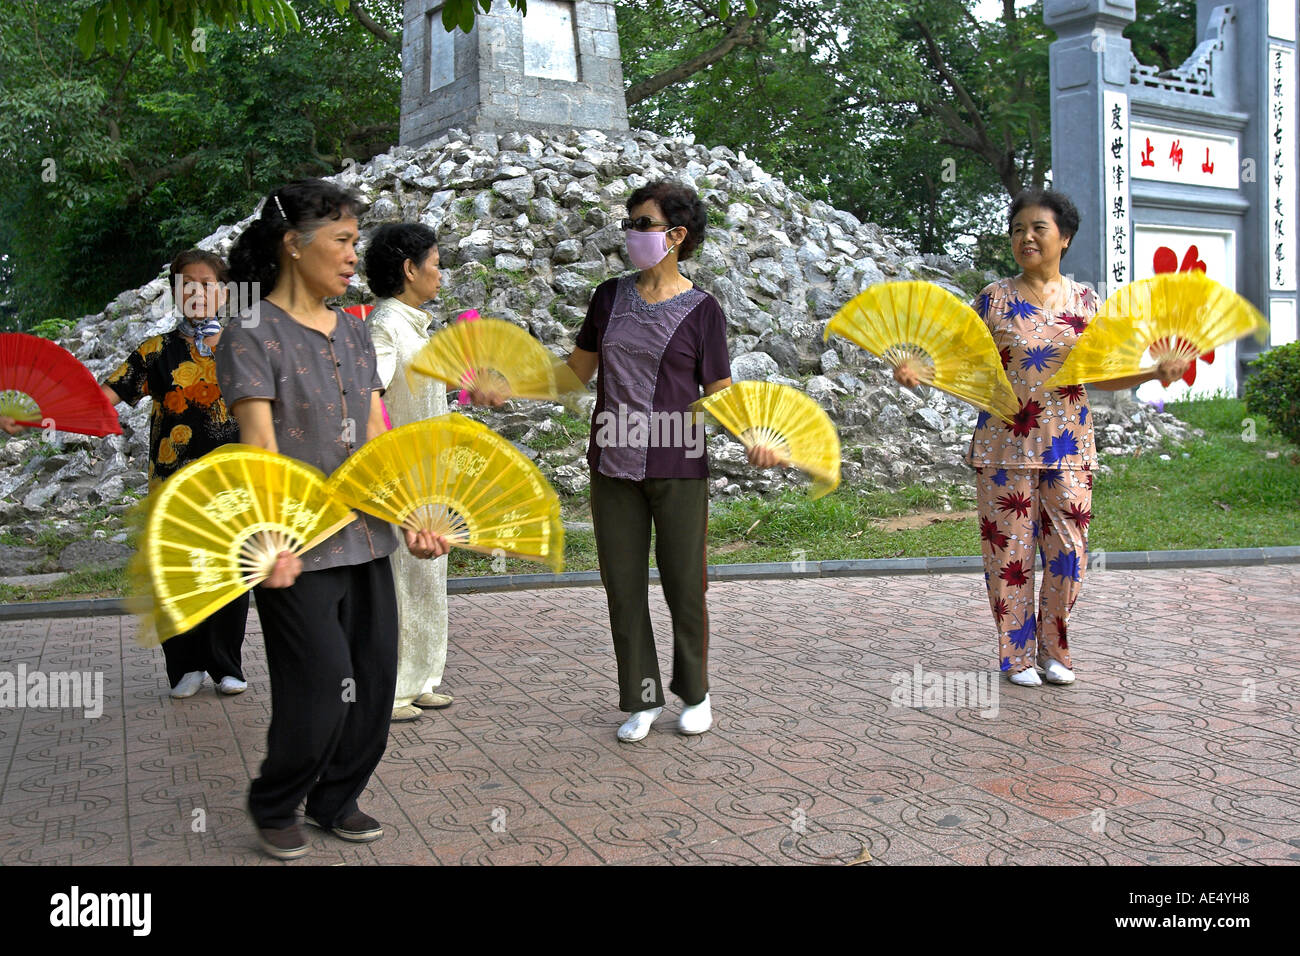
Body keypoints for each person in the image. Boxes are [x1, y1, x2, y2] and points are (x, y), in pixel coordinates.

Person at [216, 179, 449, 860]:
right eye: (343, 240)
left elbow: (378, 435)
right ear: (294, 244)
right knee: (318, 687)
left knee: (373, 688)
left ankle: (336, 798)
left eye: (356, 240)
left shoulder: (351, 329)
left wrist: (409, 513)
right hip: (296, 545)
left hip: (368, 534)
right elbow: (259, 446)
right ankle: (275, 801)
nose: (355, 255)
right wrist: (268, 535)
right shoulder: (251, 332)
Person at [894, 188, 1189, 687]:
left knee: (1068, 554)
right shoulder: (993, 298)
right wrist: (921, 371)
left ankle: (1056, 649)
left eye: (1038, 228)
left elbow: (1103, 374)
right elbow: (962, 361)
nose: (1025, 237)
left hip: (1069, 446)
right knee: (1009, 557)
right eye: (1017, 230)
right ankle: (1015, 656)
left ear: (1065, 238)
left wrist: (1152, 373)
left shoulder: (1087, 302)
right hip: (1003, 445)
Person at [554, 179, 771, 743]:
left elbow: (719, 389)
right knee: (622, 586)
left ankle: (695, 694)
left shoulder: (703, 310)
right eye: (630, 222)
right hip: (612, 463)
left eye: (643, 223)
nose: (632, 233)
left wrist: (753, 436)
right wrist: (509, 383)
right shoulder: (608, 296)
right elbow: (575, 372)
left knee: (683, 583)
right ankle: (642, 697)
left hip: (679, 462)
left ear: (676, 235)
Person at [102, 249, 249, 699]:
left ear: (224, 292)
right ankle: (185, 665)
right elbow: (102, 397)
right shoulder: (155, 351)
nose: (196, 292)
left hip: (231, 480)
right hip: (171, 480)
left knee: (230, 570)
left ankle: (226, 664)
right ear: (175, 292)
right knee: (176, 571)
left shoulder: (244, 347)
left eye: (206, 284)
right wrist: (38, 415)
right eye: (187, 284)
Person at [362, 223, 454, 724]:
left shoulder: (416, 323)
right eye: (435, 263)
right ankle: (391, 686)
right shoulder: (385, 327)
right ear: (409, 269)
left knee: (427, 574)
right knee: (400, 577)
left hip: (433, 471)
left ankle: (421, 679)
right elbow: (369, 393)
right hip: (404, 472)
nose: (440, 273)